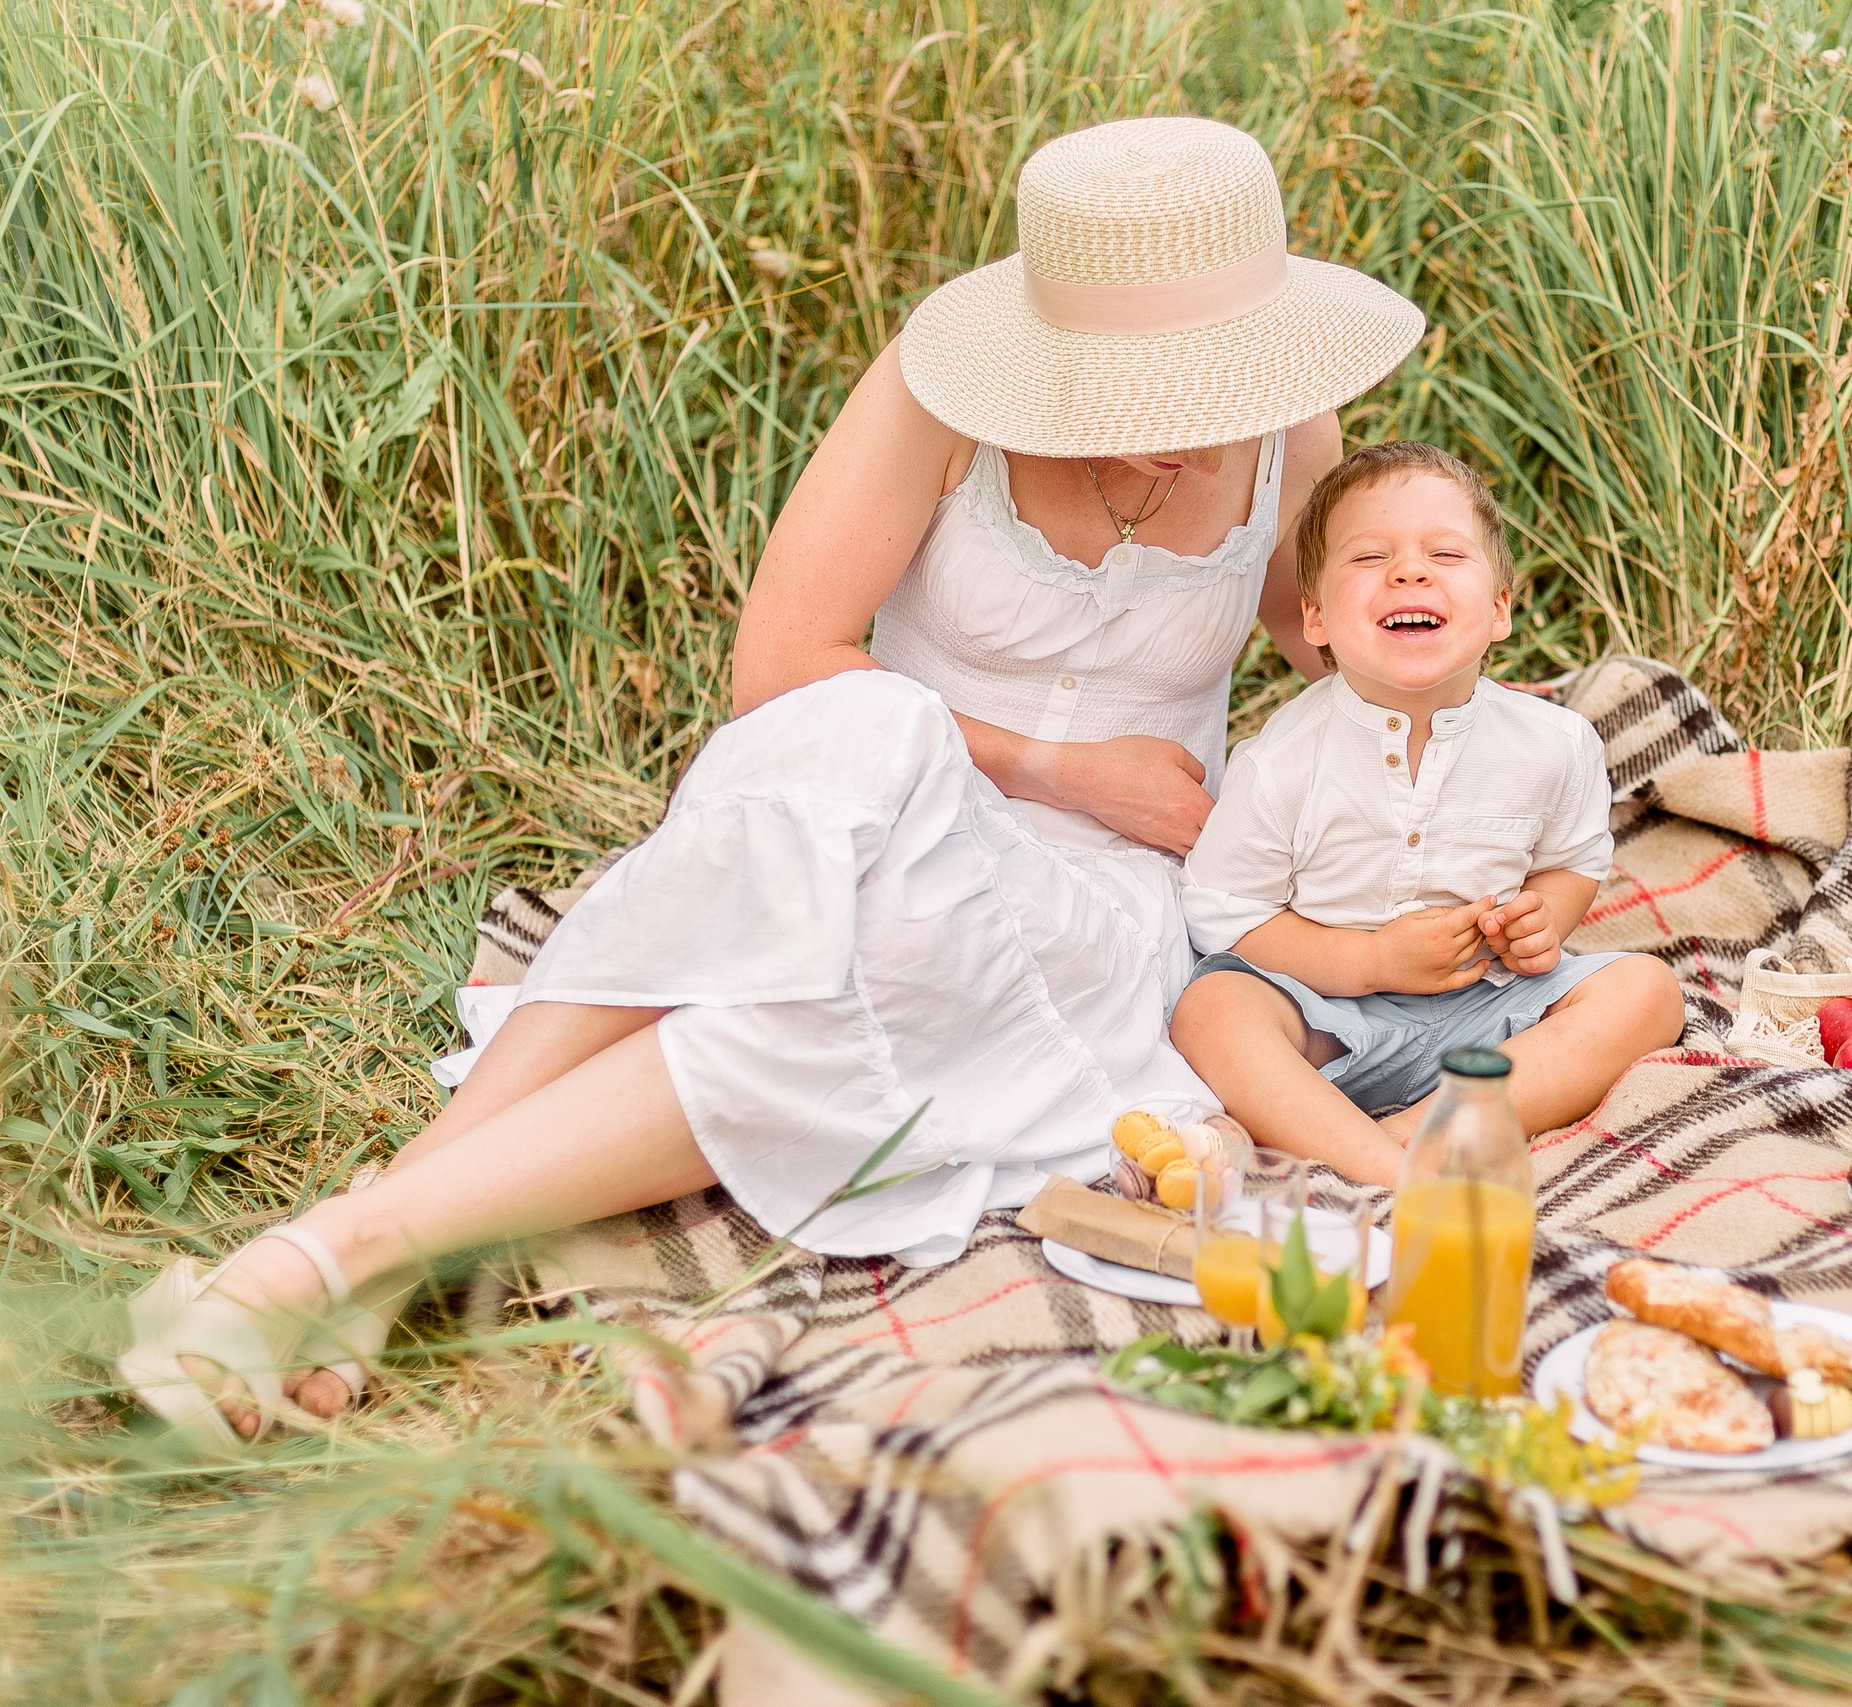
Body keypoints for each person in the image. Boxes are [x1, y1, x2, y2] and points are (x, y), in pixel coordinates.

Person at [118, 117, 1426, 1448]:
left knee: (833, 999)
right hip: (864, 785)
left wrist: (1420, 692)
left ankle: (336, 1253)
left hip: (1090, 895)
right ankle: (363, 1249)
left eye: (1214, 388)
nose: (1189, 439)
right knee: (860, 743)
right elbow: (785, 665)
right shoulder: (943, 395)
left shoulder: (1288, 422)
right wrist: (1058, 765)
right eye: (1148, 394)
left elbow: (1323, 633)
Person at [1171, 443, 1686, 1186]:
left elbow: (1573, 859)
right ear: (1314, 616)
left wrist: (1544, 915)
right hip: (1327, 1020)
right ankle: (1380, 1162)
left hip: (1489, 1007)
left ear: (1501, 607)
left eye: (1446, 553)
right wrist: (1371, 962)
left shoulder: (1554, 743)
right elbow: (1223, 913)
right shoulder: (1281, 761)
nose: (1409, 571)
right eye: (1370, 556)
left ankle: (1421, 1130)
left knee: (1647, 992)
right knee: (1212, 1009)